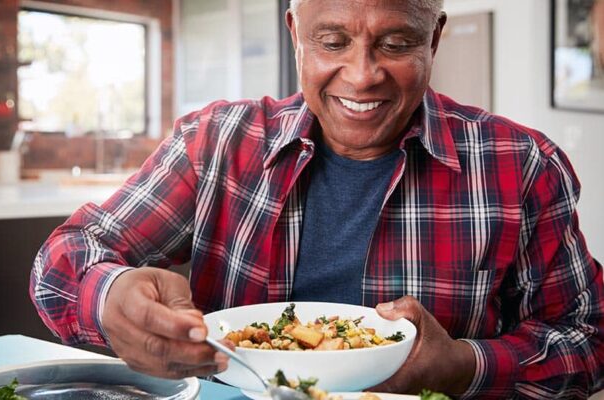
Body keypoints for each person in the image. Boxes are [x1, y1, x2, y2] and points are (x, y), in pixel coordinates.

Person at [30, 0, 604, 398]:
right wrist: (109, 299)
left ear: (433, 38)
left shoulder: (520, 165)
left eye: (396, 43)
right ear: (295, 34)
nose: (361, 75)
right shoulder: (217, 144)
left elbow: (589, 337)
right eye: (332, 41)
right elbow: (64, 261)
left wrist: (464, 365)